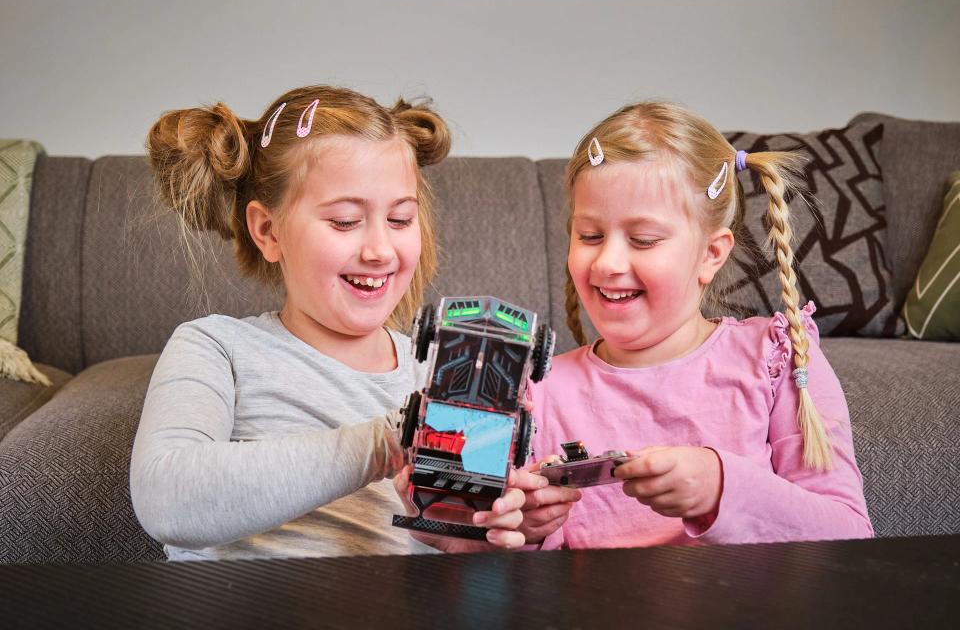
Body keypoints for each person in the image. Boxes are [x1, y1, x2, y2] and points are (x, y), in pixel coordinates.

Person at [130, 85, 527, 560]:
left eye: (400, 219)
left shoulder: (444, 373)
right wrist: (387, 441)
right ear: (268, 230)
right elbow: (167, 501)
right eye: (344, 221)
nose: (380, 249)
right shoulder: (217, 347)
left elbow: (469, 558)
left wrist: (474, 537)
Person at [518, 101, 874, 549]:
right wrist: (529, 530)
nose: (607, 262)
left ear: (711, 254)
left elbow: (849, 536)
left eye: (643, 240)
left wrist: (721, 486)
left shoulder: (776, 358)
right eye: (589, 236)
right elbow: (520, 567)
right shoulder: (541, 388)